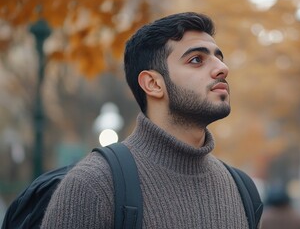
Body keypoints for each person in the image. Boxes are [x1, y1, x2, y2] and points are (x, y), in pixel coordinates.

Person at [41, 12, 257, 228]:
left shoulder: (242, 189)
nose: (222, 68)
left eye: (219, 58)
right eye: (196, 60)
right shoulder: (93, 185)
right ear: (153, 84)